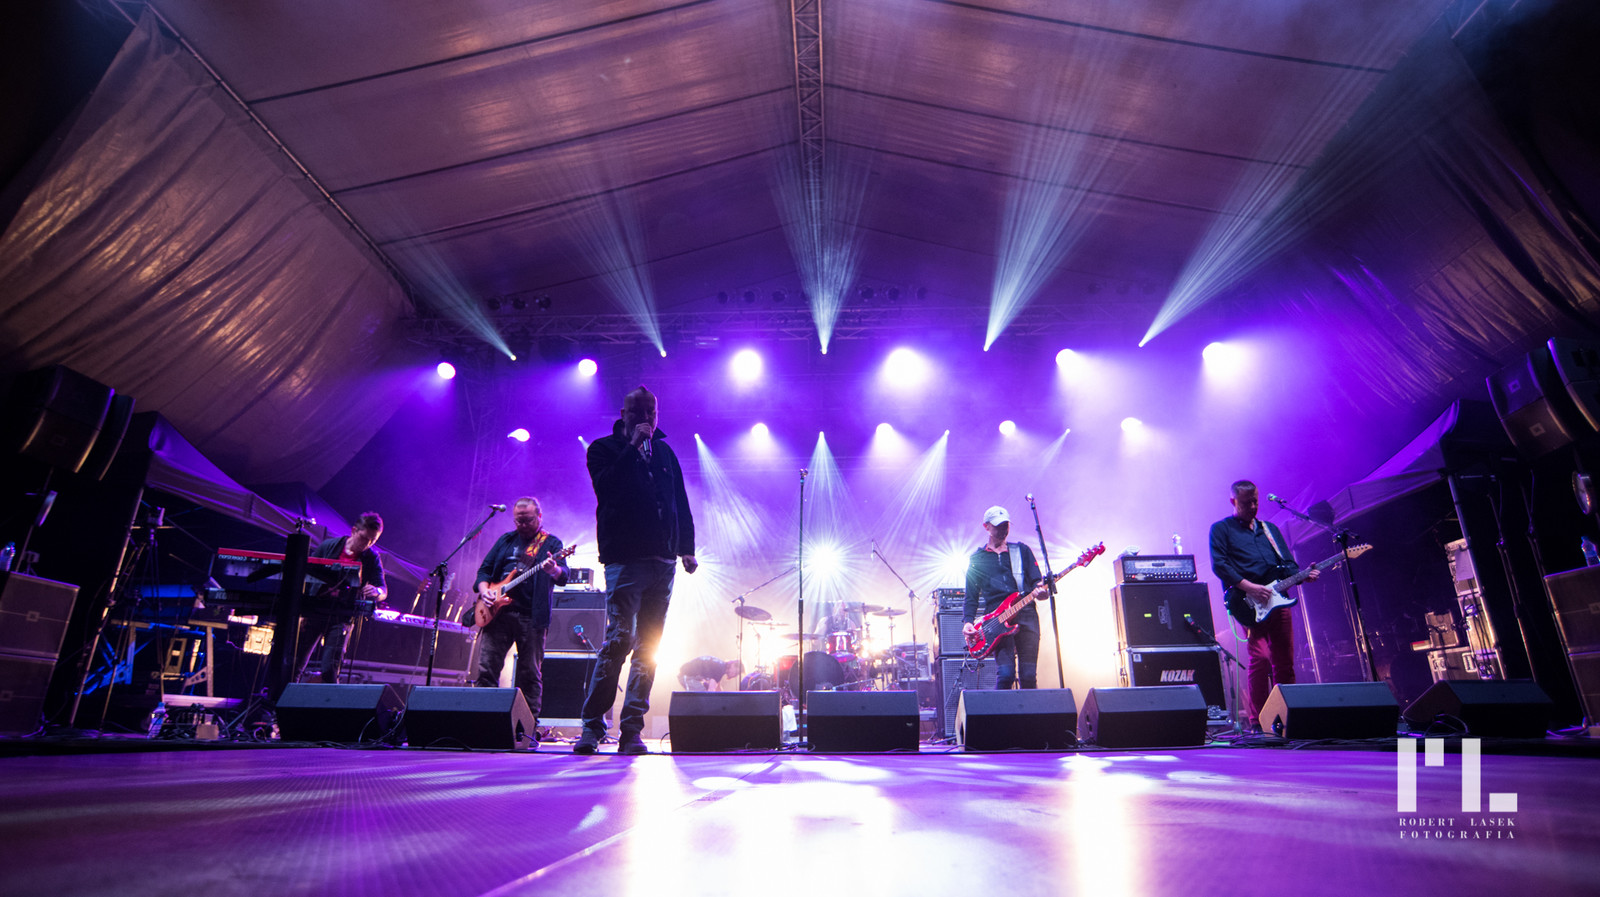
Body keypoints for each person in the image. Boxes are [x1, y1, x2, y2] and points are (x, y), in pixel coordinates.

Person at [575, 386, 698, 755]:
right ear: (623, 414)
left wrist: (687, 548)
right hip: (625, 559)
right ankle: (592, 728)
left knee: (649, 648)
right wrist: (631, 447)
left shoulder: (665, 452)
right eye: (638, 411)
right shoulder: (603, 449)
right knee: (618, 641)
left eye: (652, 411)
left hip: (663, 561)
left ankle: (631, 731)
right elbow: (608, 489)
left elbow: (679, 502)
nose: (646, 417)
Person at [1209, 480, 1319, 732]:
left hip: (1278, 600)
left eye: (1255, 501)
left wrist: (1304, 575)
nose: (1253, 506)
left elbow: (1288, 564)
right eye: (1246, 503)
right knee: (1260, 657)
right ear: (1233, 501)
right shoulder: (1221, 529)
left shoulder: (1269, 529)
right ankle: (1258, 721)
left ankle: (1288, 717)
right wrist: (1250, 587)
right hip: (1248, 602)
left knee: (1285, 661)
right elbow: (1220, 565)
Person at [472, 497, 569, 728]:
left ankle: (526, 729)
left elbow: (564, 575)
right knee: (487, 670)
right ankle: (484, 726)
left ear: (540, 516)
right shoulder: (506, 540)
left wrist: (553, 569)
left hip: (531, 617)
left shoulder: (551, 543)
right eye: (519, 521)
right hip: (497, 614)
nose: (523, 525)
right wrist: (486, 591)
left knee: (529, 675)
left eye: (528, 520)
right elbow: (484, 572)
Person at [298, 512, 387, 683]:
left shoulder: (372, 557)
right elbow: (305, 575)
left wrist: (376, 592)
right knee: (296, 662)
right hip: (314, 610)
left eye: (373, 540)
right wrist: (301, 611)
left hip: (342, 616)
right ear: (354, 531)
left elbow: (383, 590)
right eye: (364, 538)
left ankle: (328, 699)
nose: (367, 544)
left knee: (330, 668)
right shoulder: (328, 546)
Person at [963, 505, 1043, 690]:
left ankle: (1030, 710)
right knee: (1006, 675)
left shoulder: (1021, 551)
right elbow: (971, 596)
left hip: (1026, 614)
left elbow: (1037, 583)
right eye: (998, 525)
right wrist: (967, 622)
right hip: (996, 620)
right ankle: (1002, 710)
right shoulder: (977, 559)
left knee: (1028, 676)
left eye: (1005, 525)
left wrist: (1041, 591)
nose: (1003, 529)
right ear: (986, 527)